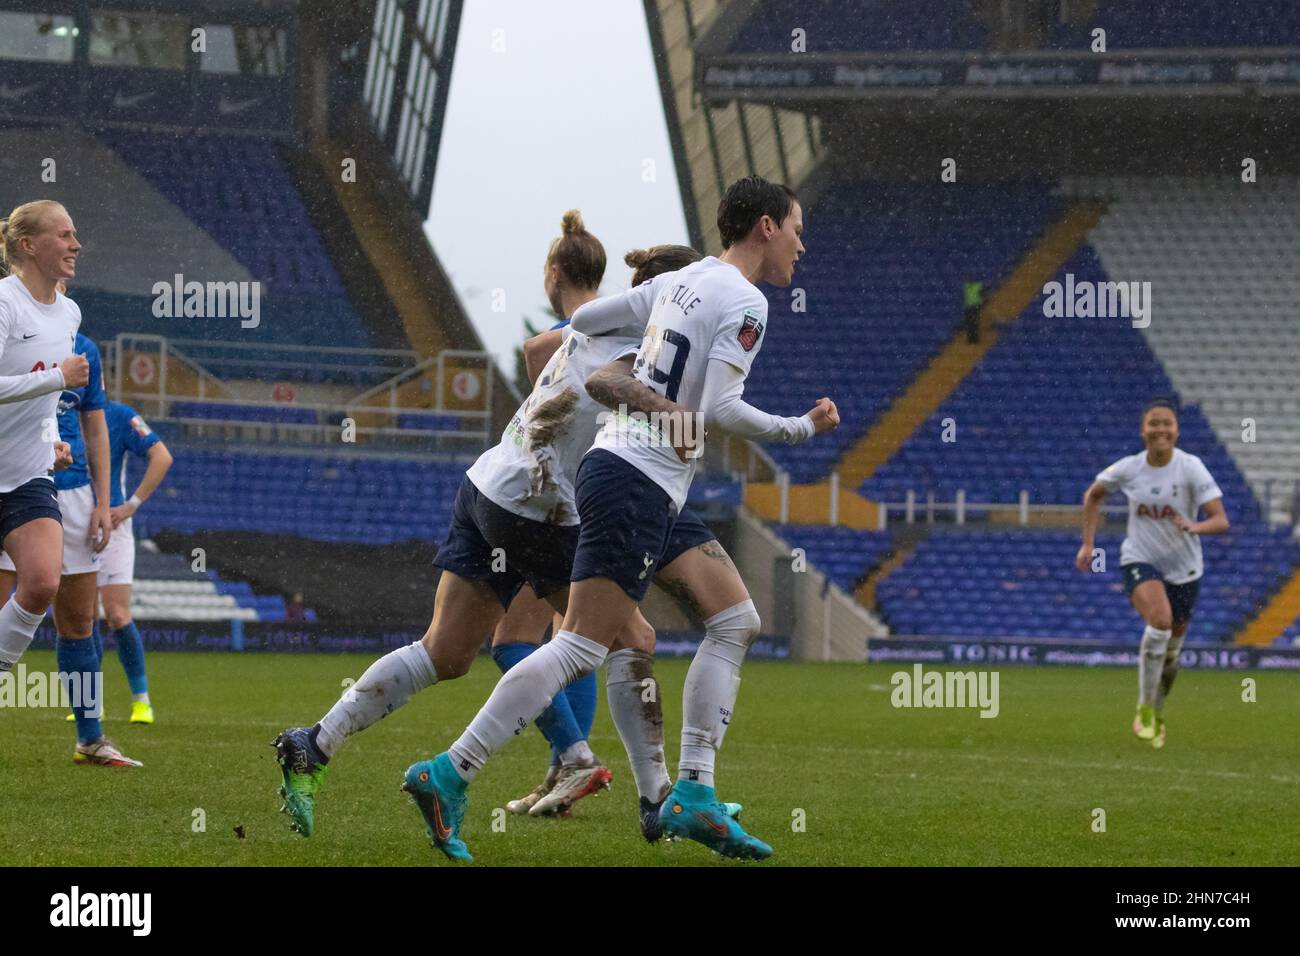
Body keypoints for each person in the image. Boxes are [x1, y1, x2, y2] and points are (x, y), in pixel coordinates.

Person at [403, 176, 840, 862]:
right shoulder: (748, 300)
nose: (800, 244)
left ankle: (692, 792)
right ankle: (449, 771)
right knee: (580, 644)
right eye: (795, 228)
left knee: (735, 619)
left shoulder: (684, 280)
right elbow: (721, 409)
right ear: (764, 226)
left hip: (638, 480)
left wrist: (651, 362)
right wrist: (799, 429)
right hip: (635, 478)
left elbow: (581, 324)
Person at [270, 237, 699, 840]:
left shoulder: (599, 322)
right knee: (630, 636)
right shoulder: (643, 346)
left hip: (489, 483)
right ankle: (657, 803)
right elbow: (610, 382)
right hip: (539, 508)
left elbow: (541, 346)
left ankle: (312, 744)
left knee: (443, 653)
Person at [0, 202, 137, 766]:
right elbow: (43, 381)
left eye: (77, 233)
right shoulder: (5, 301)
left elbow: (57, 405)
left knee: (42, 585)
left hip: (29, 474)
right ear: (29, 245)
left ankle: (90, 735)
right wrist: (58, 377)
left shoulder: (71, 316)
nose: (77, 243)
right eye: (65, 234)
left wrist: (47, 440)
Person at [1075, 399, 1229, 749]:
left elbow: (1221, 520)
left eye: (1167, 423)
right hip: (1139, 558)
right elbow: (1093, 496)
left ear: (1177, 430)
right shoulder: (1130, 469)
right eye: (1154, 423)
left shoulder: (1191, 467)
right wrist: (1088, 545)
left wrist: (1194, 526)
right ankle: (1144, 709)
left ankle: (1157, 710)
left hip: (1186, 569)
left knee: (1171, 657)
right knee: (1159, 621)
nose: (1161, 429)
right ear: (1143, 430)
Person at [95, 399, 173, 724]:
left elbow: (161, 455)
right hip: (70, 521)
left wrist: (131, 505)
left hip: (114, 523)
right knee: (80, 618)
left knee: (117, 614)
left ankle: (141, 701)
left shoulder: (120, 416)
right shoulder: (58, 413)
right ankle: (88, 704)